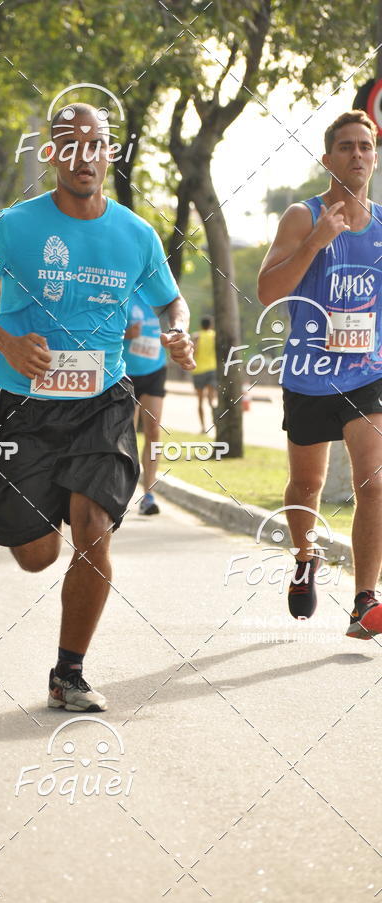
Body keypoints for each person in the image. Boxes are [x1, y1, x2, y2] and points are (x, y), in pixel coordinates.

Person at [0, 102, 195, 711]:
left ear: (111, 153)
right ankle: (44, 507)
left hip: (102, 402)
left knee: (93, 531)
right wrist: (4, 340)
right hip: (24, 407)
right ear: (53, 154)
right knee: (36, 556)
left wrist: (178, 331)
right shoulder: (14, 226)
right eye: (71, 144)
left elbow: (171, 303)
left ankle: (68, 673)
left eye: (97, 143)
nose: (86, 156)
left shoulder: (136, 233)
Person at [258, 109, 382, 639]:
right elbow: (267, 293)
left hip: (367, 372)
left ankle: (364, 601)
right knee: (306, 485)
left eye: (366, 146)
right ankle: (305, 559)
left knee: (373, 481)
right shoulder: (301, 217)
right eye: (347, 147)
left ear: (374, 158)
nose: (357, 155)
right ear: (327, 158)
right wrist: (316, 242)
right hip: (309, 372)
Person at [123, 296, 168, 515]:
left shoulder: (160, 296)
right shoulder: (124, 291)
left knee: (153, 431)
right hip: (125, 372)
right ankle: (121, 492)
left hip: (154, 370)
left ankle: (148, 494)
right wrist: (126, 334)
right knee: (125, 434)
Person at [191, 315, 217, 433]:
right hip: (212, 369)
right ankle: (216, 423)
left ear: (201, 325)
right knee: (211, 400)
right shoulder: (214, 336)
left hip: (198, 371)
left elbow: (193, 353)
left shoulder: (197, 336)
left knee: (200, 401)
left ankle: (203, 427)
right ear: (211, 325)